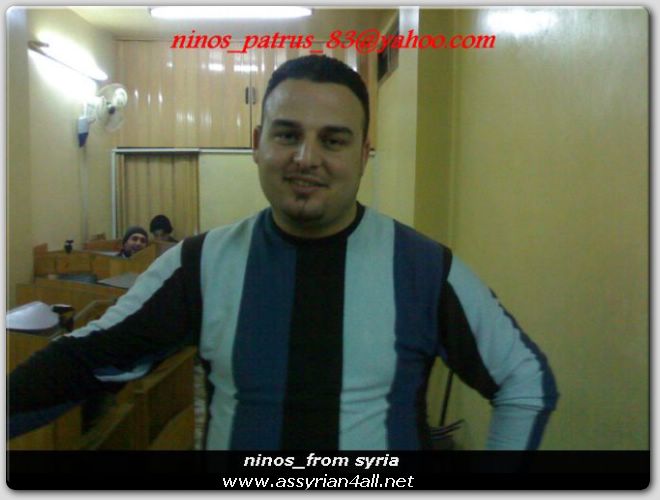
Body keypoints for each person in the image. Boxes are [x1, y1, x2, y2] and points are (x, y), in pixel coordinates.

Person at [8, 55, 558, 450]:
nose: (305, 158)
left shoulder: (425, 270)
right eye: (287, 134)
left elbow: (526, 381)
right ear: (257, 144)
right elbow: (77, 362)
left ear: (364, 155)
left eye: (333, 140)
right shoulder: (199, 265)